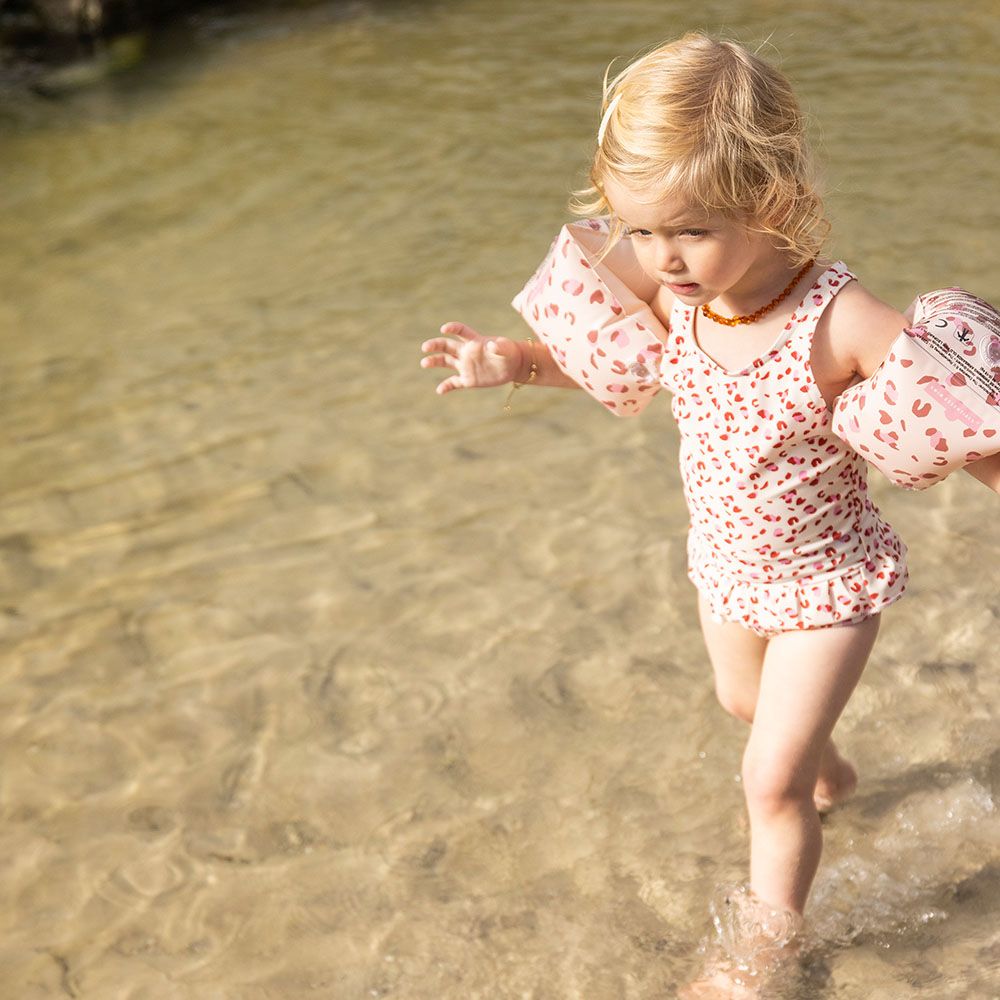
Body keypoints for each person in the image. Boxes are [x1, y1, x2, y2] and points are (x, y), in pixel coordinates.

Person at [420, 32, 999, 992]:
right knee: (746, 710)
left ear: (770, 199)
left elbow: (969, 423)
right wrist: (515, 362)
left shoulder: (840, 322)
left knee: (764, 785)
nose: (661, 259)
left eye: (687, 230)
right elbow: (614, 365)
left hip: (825, 583)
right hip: (727, 565)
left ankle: (758, 960)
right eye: (640, 232)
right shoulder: (682, 294)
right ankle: (833, 781)